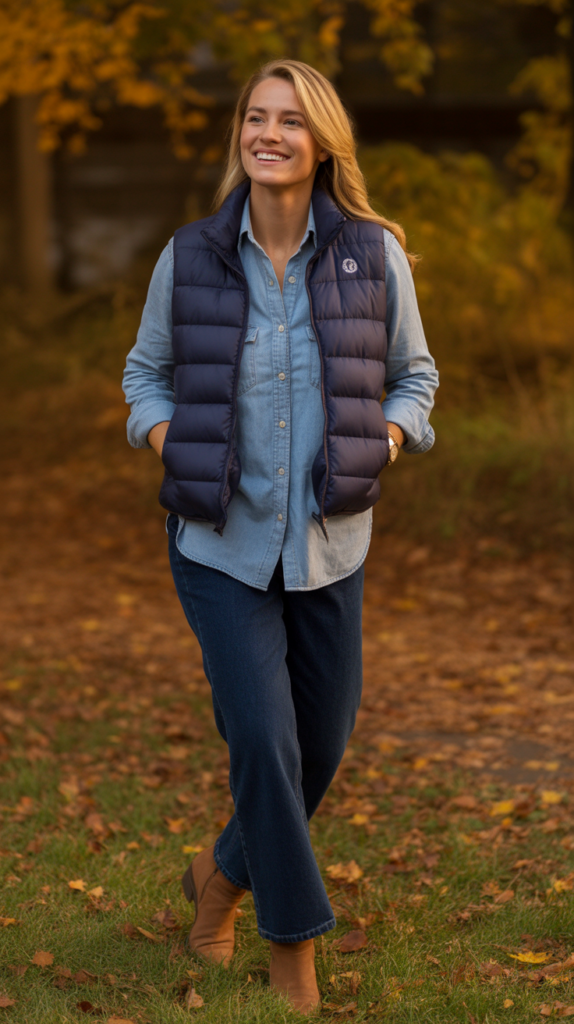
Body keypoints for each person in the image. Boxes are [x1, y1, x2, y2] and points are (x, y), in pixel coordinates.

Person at [122, 58, 438, 1015]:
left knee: (323, 746)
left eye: (289, 121)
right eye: (255, 118)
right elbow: (146, 375)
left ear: (321, 143)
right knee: (263, 739)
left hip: (330, 544)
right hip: (217, 542)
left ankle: (218, 878)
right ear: (241, 139)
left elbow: (415, 380)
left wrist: (382, 436)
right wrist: (173, 435)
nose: (269, 133)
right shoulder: (189, 255)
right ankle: (290, 948)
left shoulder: (373, 255)